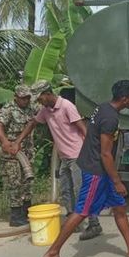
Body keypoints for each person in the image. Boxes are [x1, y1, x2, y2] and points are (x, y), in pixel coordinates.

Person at [39, 80, 129, 257]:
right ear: (124, 98)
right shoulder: (110, 118)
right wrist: (117, 181)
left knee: (119, 207)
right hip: (96, 170)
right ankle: (52, 253)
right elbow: (105, 153)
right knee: (82, 211)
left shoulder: (103, 108)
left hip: (101, 169)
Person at [15, 80, 102, 240]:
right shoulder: (46, 110)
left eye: (40, 98)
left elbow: (82, 127)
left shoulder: (67, 106)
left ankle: (94, 224)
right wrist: (17, 142)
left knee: (81, 190)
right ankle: (72, 219)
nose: (39, 102)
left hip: (77, 155)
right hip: (64, 156)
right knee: (65, 190)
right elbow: (33, 123)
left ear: (48, 94)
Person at [0, 85, 36, 226]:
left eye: (28, 98)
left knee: (28, 182)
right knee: (15, 182)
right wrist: (5, 142)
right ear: (16, 97)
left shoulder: (31, 108)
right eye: (23, 98)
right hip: (12, 154)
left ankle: (27, 211)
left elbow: (33, 122)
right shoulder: (8, 109)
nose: (26, 100)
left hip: (28, 152)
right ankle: (16, 215)